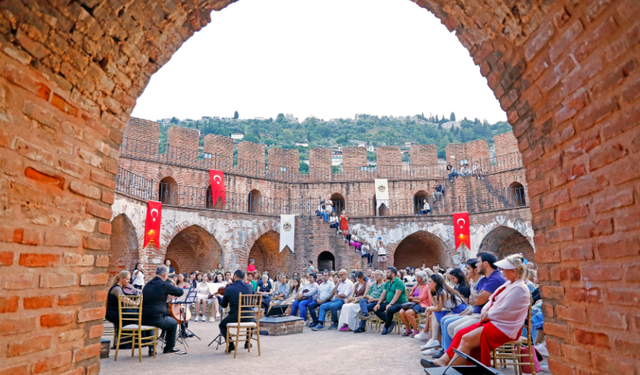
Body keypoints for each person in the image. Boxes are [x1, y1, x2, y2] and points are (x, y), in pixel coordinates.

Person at [422, 255, 531, 369]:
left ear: (513, 270)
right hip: (495, 322)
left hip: (504, 327)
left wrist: (487, 314)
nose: (502, 270)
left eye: (504, 268)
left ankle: (448, 370)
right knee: (461, 333)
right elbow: (490, 300)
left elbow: (504, 310)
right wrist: (485, 310)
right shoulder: (509, 284)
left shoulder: (519, 288)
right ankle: (443, 361)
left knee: (466, 338)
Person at [445, 253, 506, 343]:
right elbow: (471, 300)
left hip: (487, 317)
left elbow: (478, 300)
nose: (476, 265)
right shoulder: (483, 279)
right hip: (476, 314)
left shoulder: (495, 279)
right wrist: (476, 296)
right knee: (450, 326)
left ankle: (464, 355)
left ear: (485, 264)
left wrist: (475, 296)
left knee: (457, 330)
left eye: (478, 262)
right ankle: (456, 354)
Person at [418, 273, 468, 355]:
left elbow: (438, 308)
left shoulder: (442, 292)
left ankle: (434, 341)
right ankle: (434, 343)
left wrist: (429, 308)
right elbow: (435, 306)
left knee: (436, 315)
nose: (428, 283)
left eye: (430, 282)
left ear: (436, 283)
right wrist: (430, 293)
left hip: (460, 310)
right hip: (453, 310)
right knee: (433, 316)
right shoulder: (439, 291)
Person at [141, 265, 184, 354]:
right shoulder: (164, 284)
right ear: (165, 275)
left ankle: (151, 349)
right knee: (173, 323)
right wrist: (172, 282)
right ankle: (168, 348)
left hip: (143, 318)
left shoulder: (148, 284)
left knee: (153, 322)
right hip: (157, 318)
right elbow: (180, 292)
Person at [219, 270, 255, 352]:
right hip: (249, 316)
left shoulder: (229, 289)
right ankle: (247, 342)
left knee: (221, 325)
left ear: (234, 276)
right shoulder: (249, 287)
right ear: (243, 278)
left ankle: (231, 344)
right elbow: (253, 303)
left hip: (235, 316)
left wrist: (218, 297)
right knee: (253, 320)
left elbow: (223, 305)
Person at [373, 267, 407, 335]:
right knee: (376, 309)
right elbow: (383, 294)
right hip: (389, 302)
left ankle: (386, 327)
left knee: (390, 309)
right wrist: (378, 303)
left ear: (393, 274)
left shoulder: (399, 282)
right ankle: (390, 322)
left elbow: (397, 295)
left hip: (400, 302)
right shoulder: (387, 283)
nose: (386, 274)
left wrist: (390, 304)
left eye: (388, 273)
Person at [399, 270, 432, 337]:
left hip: (423, 305)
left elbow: (425, 299)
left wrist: (415, 299)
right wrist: (415, 299)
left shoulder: (427, 287)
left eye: (419, 277)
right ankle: (408, 329)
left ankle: (416, 330)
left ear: (423, 278)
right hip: (413, 303)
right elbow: (410, 297)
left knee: (408, 312)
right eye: (416, 277)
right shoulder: (415, 286)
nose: (417, 279)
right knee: (401, 312)